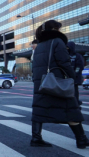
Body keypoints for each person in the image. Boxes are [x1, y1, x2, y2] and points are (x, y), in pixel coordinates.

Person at [31, 20, 88, 149]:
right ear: (55, 30)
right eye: (59, 28)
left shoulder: (40, 45)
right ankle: (81, 139)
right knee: (70, 109)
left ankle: (36, 137)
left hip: (42, 82)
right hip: (57, 81)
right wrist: (72, 77)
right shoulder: (57, 42)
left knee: (39, 109)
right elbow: (64, 62)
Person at [67, 41, 84, 106]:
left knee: (75, 91)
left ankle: (76, 103)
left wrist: (75, 74)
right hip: (67, 78)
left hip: (75, 78)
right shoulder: (66, 55)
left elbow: (79, 66)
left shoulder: (77, 56)